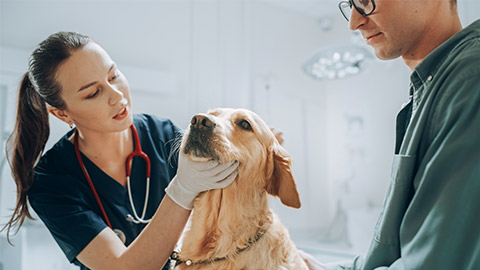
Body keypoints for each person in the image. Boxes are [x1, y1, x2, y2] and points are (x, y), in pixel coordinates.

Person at [1, 32, 239, 270]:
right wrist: (182, 190)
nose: (117, 96)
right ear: (62, 113)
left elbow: (228, 197)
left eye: (113, 75)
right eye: (93, 93)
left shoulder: (162, 135)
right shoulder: (52, 182)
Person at [300, 0, 480, 269]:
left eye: (366, 1)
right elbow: (399, 249)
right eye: (350, 4)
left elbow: (434, 263)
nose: (354, 22)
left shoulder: (469, 80)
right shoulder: (429, 88)